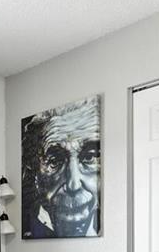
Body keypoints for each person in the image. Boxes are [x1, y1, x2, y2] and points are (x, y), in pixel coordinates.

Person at [21, 97, 101, 238]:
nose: (73, 185)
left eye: (89, 157)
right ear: (33, 170)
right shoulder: (28, 232)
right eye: (55, 161)